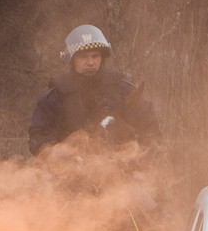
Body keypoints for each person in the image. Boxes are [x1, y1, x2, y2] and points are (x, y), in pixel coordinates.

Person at [28, 24, 161, 156]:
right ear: (72, 60)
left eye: (95, 56)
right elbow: (40, 136)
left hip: (120, 168)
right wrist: (57, 155)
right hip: (71, 171)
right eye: (83, 56)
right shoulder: (56, 96)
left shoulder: (121, 89)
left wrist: (144, 154)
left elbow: (149, 124)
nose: (90, 62)